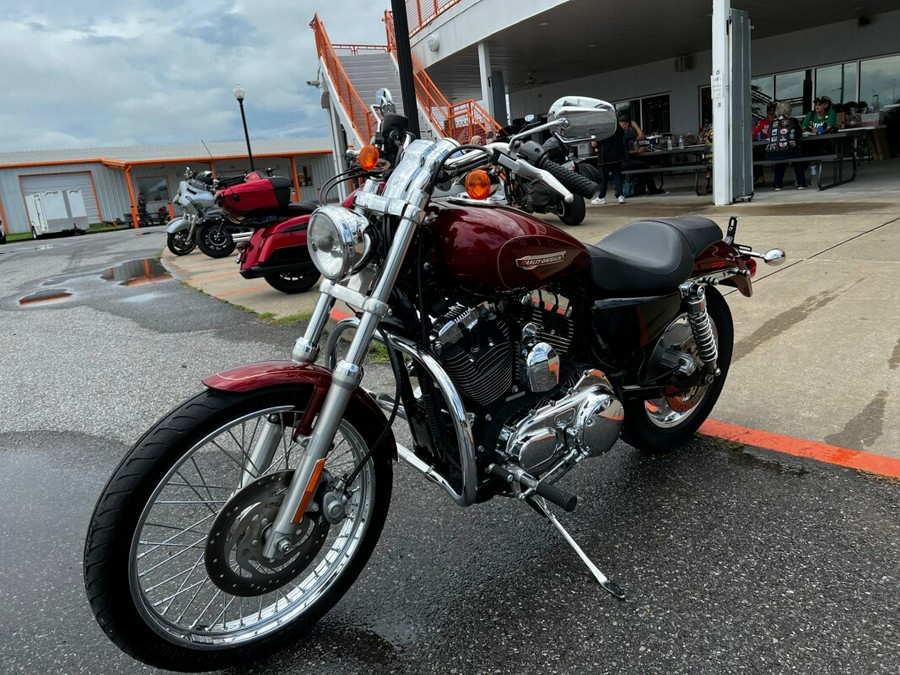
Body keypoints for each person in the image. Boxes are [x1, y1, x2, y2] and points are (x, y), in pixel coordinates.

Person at [765, 101, 808, 191]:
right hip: (789, 150)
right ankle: (801, 183)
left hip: (772, 152)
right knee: (798, 158)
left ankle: (777, 184)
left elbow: (769, 134)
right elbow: (799, 134)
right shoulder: (793, 120)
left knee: (779, 160)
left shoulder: (772, 122)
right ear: (789, 111)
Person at [590, 122, 626, 205]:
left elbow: (594, 143)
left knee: (603, 179)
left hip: (604, 156)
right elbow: (622, 136)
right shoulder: (616, 126)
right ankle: (620, 196)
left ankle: (601, 197)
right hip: (617, 155)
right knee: (617, 176)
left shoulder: (599, 127)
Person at [752, 103, 777, 186]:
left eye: (773, 111)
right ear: (767, 112)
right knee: (755, 152)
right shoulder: (763, 122)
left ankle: (778, 179)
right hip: (765, 146)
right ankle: (759, 177)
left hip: (778, 145)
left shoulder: (779, 121)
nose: (772, 113)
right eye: (770, 111)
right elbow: (754, 134)